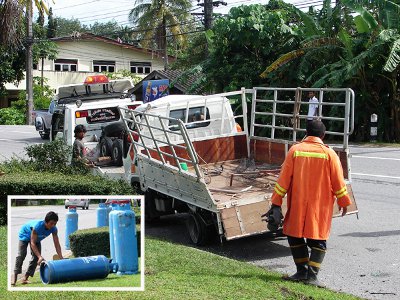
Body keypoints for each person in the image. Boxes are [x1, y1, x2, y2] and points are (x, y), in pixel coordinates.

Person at [263, 120, 351, 287]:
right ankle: (310, 275)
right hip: (320, 206)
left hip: (298, 204)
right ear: (323, 135)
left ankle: (303, 271)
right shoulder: (329, 154)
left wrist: (276, 203)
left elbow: (283, 181)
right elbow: (339, 182)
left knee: (294, 236)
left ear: (306, 133)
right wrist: (344, 202)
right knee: (318, 239)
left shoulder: (295, 151)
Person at [12, 211, 63, 286]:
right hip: (25, 235)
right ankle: (14, 279)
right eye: (51, 223)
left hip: (36, 239)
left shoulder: (54, 229)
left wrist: (60, 256)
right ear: (46, 221)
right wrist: (40, 256)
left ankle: (25, 278)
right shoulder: (37, 227)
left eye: (55, 223)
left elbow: (56, 243)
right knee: (21, 255)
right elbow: (32, 243)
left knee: (36, 258)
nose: (53, 225)